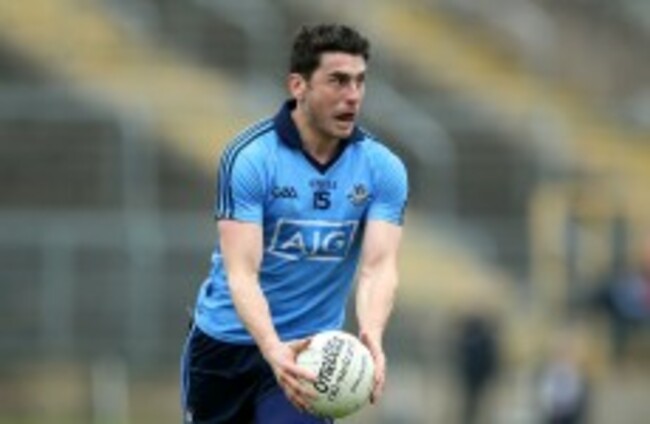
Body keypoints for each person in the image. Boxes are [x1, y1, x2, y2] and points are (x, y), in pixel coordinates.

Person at [180, 24, 409, 423]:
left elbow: (379, 266)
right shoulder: (251, 158)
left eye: (359, 81)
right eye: (338, 81)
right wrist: (272, 348)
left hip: (312, 356)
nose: (353, 95)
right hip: (225, 347)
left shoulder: (382, 168)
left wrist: (371, 333)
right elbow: (242, 273)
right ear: (298, 86)